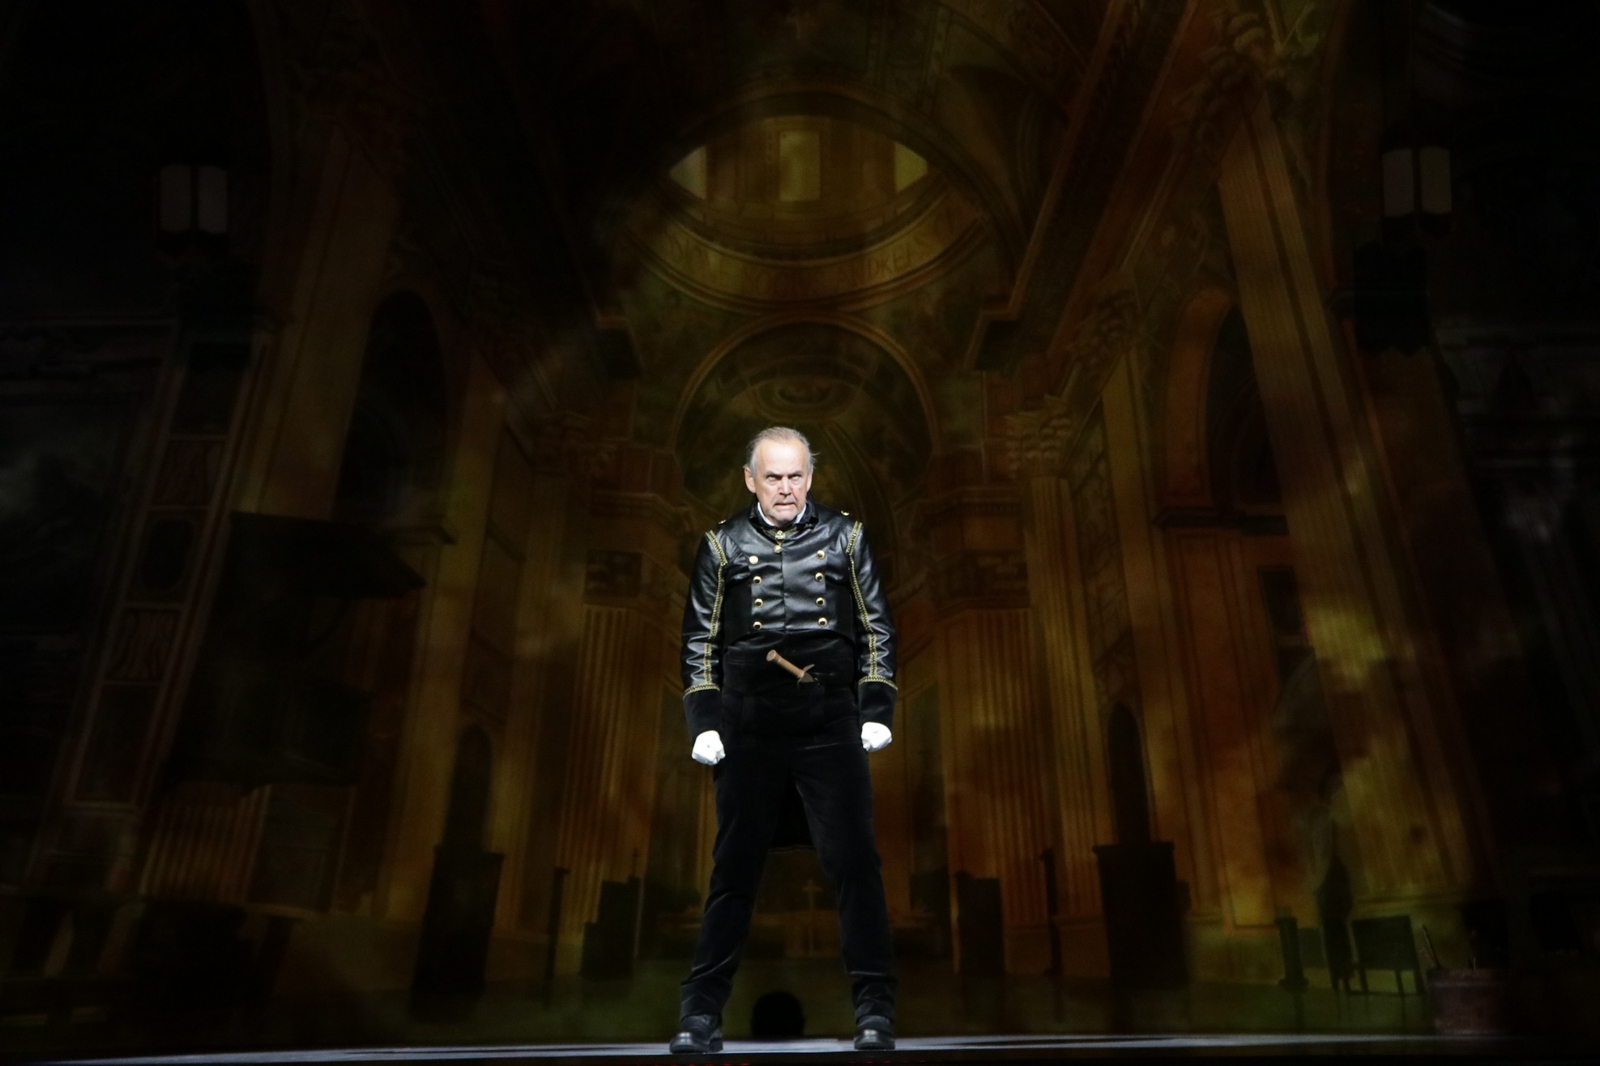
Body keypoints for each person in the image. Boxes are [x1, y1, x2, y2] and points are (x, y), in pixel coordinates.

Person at [670, 426, 898, 1054]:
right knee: (734, 870)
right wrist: (705, 720)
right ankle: (700, 1014)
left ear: (810, 477)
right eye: (773, 477)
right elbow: (700, 640)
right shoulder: (721, 544)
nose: (786, 488)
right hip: (749, 724)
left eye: (796, 475)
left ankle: (876, 1011)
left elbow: (877, 628)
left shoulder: (847, 536)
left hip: (830, 720)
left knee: (856, 864)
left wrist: (875, 707)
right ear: (751, 481)